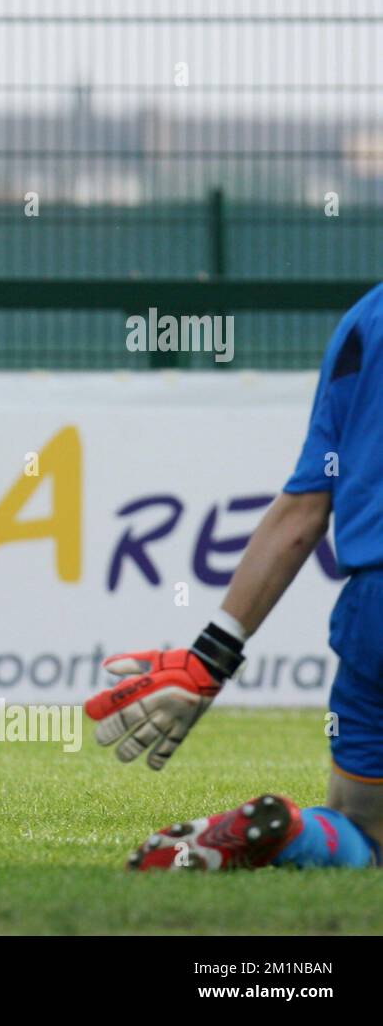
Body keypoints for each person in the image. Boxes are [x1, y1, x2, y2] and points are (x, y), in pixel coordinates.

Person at [87, 287, 383, 870]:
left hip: (372, 608)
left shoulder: (363, 323)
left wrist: (209, 657)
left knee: (365, 829)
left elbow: (302, 513)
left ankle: (295, 836)